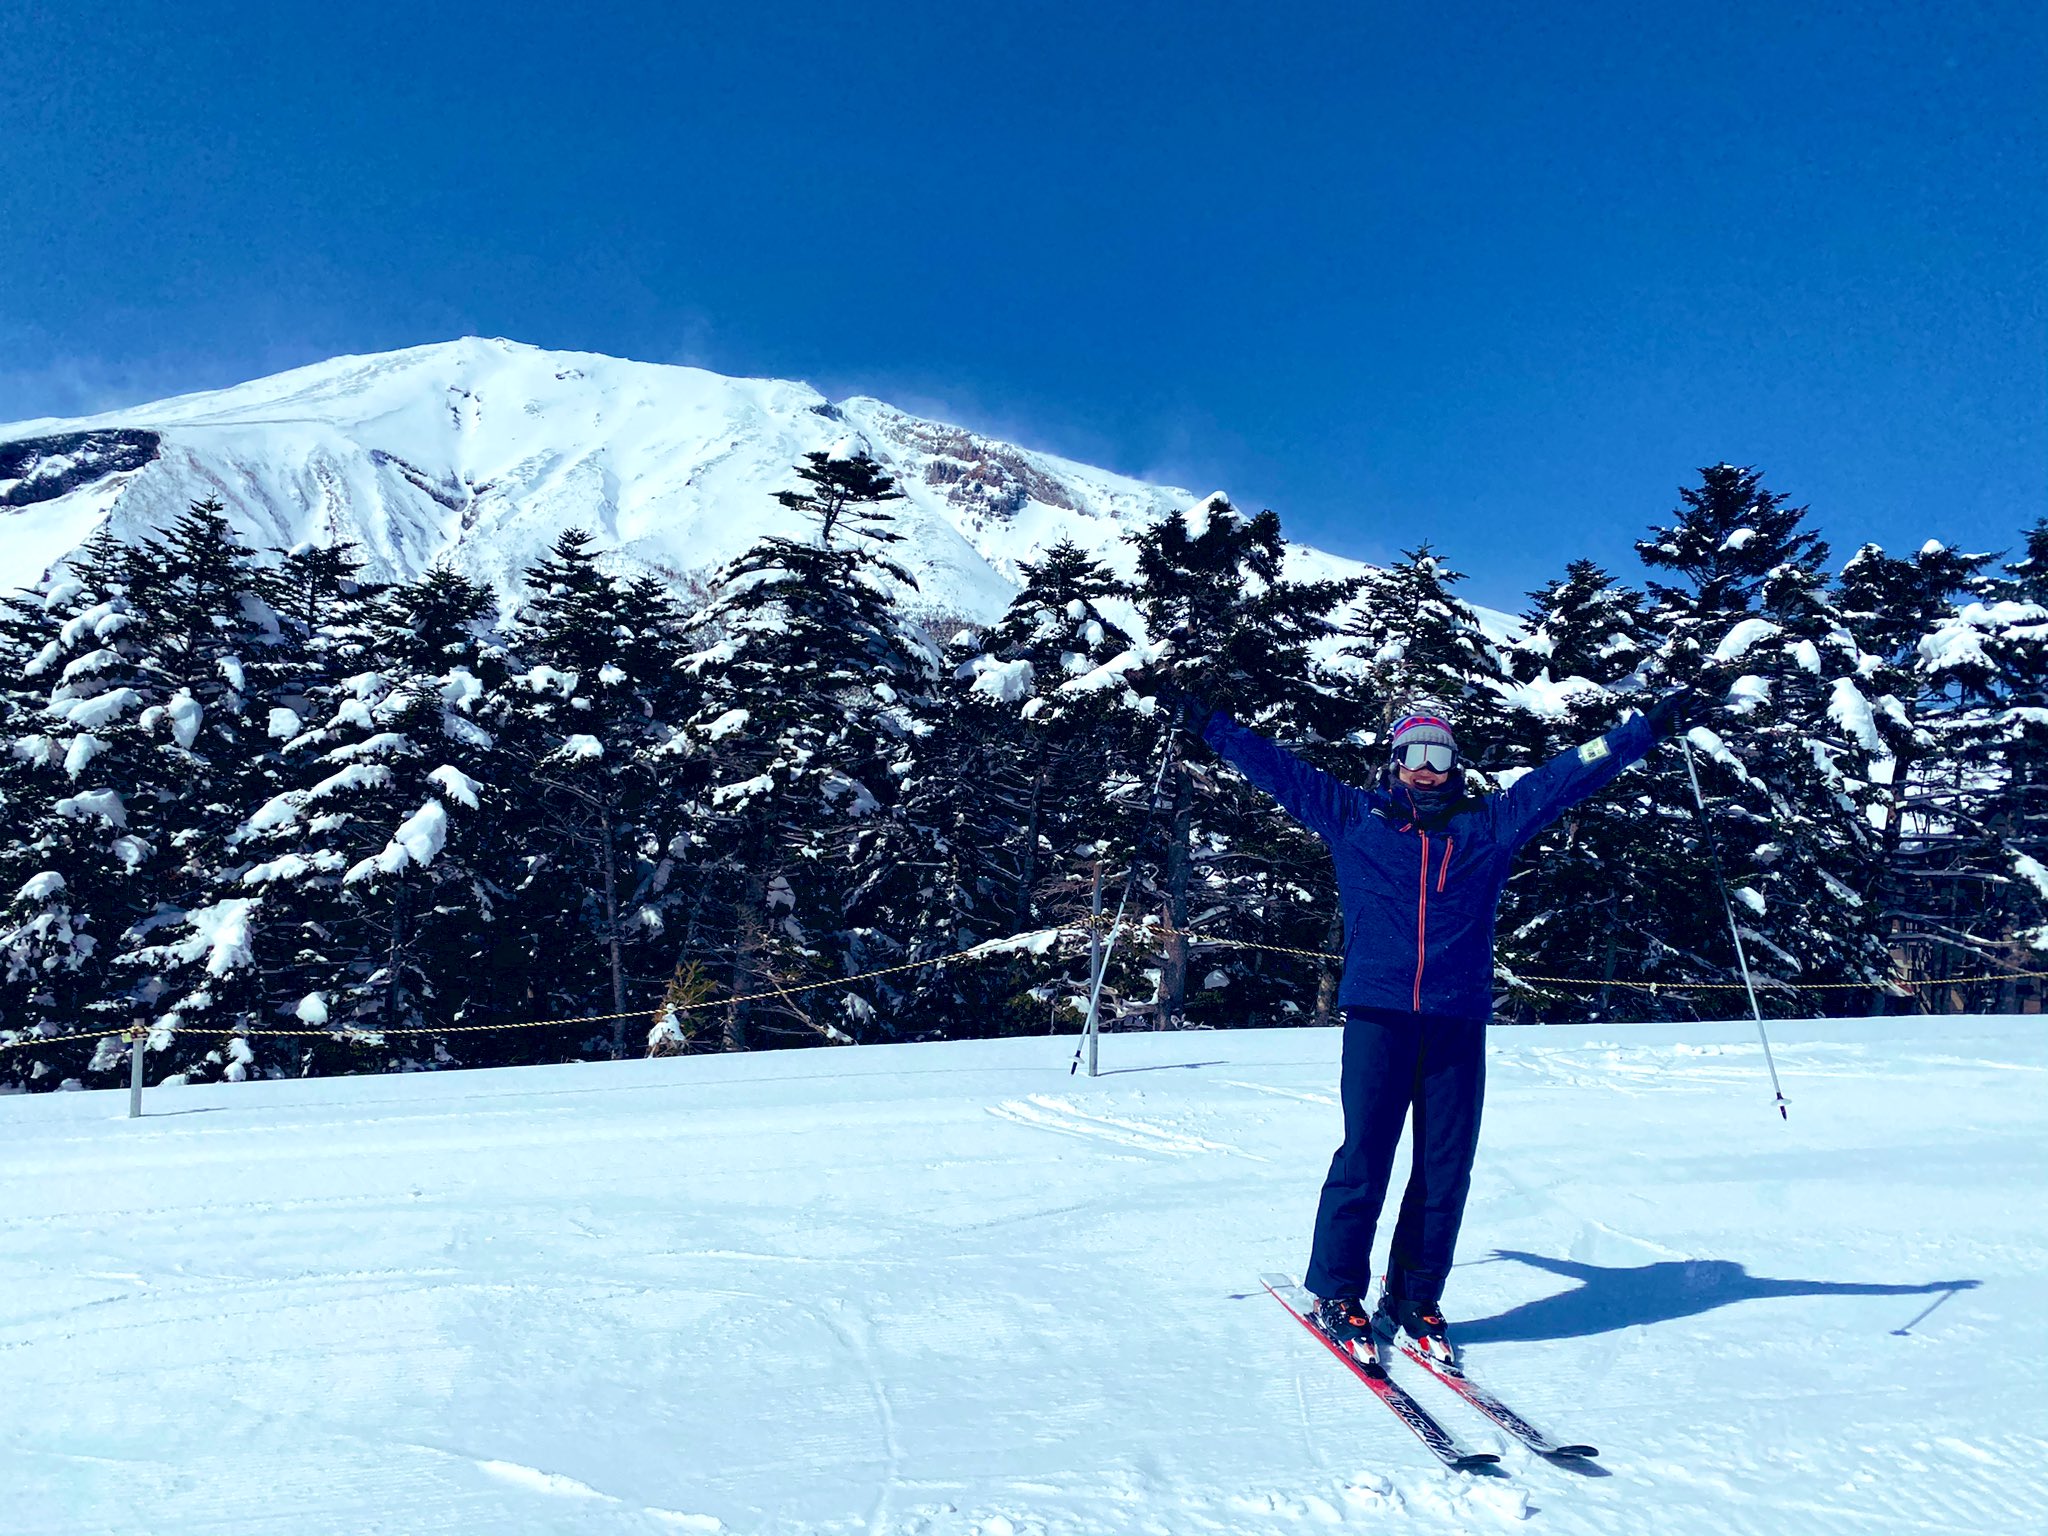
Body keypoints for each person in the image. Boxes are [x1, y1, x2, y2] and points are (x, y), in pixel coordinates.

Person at [1173, 688, 1694, 1361]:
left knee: (1446, 1167)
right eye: (1413, 752)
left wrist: (1645, 728)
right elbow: (1276, 768)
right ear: (1394, 760)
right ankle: (1335, 1290)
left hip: (1456, 1020)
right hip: (1378, 1016)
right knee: (1365, 1156)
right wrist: (1211, 722)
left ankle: (1415, 1295)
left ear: (1454, 764)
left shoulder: (1490, 825)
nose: (1426, 766)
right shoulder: (1354, 817)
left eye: (1439, 753)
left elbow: (1572, 770)